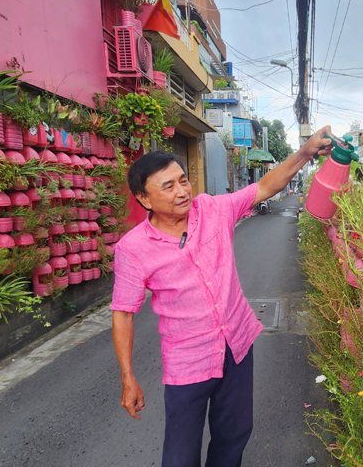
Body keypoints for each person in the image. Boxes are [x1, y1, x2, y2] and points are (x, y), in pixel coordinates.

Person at [111, 126, 332, 467]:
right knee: (181, 457)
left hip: (237, 345)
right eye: (168, 187)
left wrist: (304, 153)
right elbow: (123, 312)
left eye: (183, 180)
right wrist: (128, 377)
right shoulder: (133, 249)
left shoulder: (212, 210)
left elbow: (264, 186)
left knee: (235, 434)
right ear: (144, 198)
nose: (182, 191)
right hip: (188, 362)